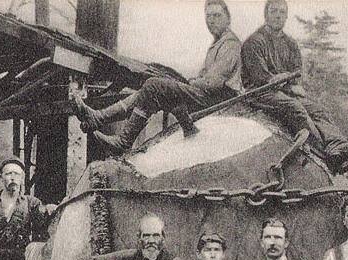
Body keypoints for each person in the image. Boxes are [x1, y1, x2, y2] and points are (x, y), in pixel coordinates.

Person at [72, 0, 242, 155]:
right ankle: (99, 118)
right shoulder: (219, 43)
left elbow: (213, 83)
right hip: (209, 96)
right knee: (149, 90)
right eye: (209, 16)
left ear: (228, 19)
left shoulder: (230, 44)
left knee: (153, 85)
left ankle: (123, 140)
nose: (211, 20)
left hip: (219, 101)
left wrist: (191, 82)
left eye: (217, 15)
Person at [241, 0, 348, 174]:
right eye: (273, 11)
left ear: (286, 16)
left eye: (282, 12)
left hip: (285, 90)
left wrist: (286, 80)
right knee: (295, 108)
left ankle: (337, 144)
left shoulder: (290, 44)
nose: (278, 15)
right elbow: (262, 78)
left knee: (318, 110)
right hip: (259, 93)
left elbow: (297, 73)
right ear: (266, 14)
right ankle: (325, 153)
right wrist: (284, 79)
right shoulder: (253, 42)